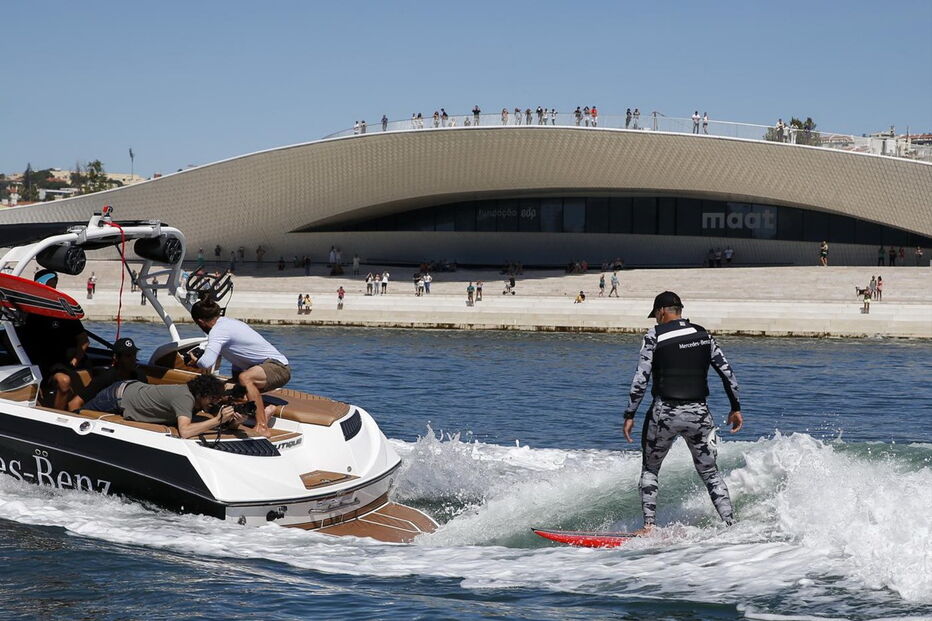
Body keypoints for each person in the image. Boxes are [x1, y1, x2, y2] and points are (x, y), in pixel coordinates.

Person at [623, 291, 743, 534]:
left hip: (664, 414)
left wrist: (630, 414)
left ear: (662, 311)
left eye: (656, 315)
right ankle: (731, 525)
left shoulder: (654, 335)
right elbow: (728, 374)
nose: (656, 320)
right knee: (710, 473)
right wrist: (735, 407)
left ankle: (649, 527)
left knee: (650, 470)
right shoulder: (703, 335)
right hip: (700, 414)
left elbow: (641, 379)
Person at [187, 299, 290, 437]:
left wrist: (196, 361)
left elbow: (206, 363)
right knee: (219, 390)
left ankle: (262, 427)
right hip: (259, 370)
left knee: (245, 378)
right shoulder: (228, 323)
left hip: (278, 368)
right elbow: (240, 356)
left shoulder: (218, 331)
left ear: (200, 321)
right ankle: (265, 409)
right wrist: (233, 385)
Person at [87, 374, 241, 439]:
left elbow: (222, 423)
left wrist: (235, 422)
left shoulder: (202, 401)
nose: (215, 402)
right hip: (116, 396)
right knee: (79, 415)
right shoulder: (185, 398)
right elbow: (185, 432)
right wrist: (218, 420)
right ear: (201, 394)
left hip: (132, 390)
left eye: (217, 398)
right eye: (212, 398)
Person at [73, 337, 148, 411]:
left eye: (134, 354)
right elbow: (75, 402)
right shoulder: (105, 377)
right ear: (116, 357)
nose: (133, 359)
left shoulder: (140, 376)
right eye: (128, 356)